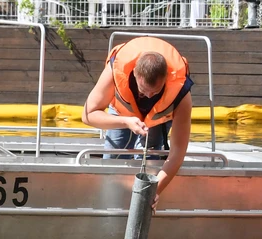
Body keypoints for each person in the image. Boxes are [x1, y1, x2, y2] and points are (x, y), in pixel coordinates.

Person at [81, 37, 194, 202]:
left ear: (166, 79)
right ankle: (109, 199)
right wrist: (126, 122)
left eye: (155, 92)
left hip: (160, 116)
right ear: (134, 72)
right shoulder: (116, 71)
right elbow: (88, 115)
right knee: (116, 152)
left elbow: (177, 152)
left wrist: (154, 192)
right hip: (122, 110)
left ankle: (142, 198)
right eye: (143, 91)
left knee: (152, 154)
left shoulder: (180, 91)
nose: (148, 96)